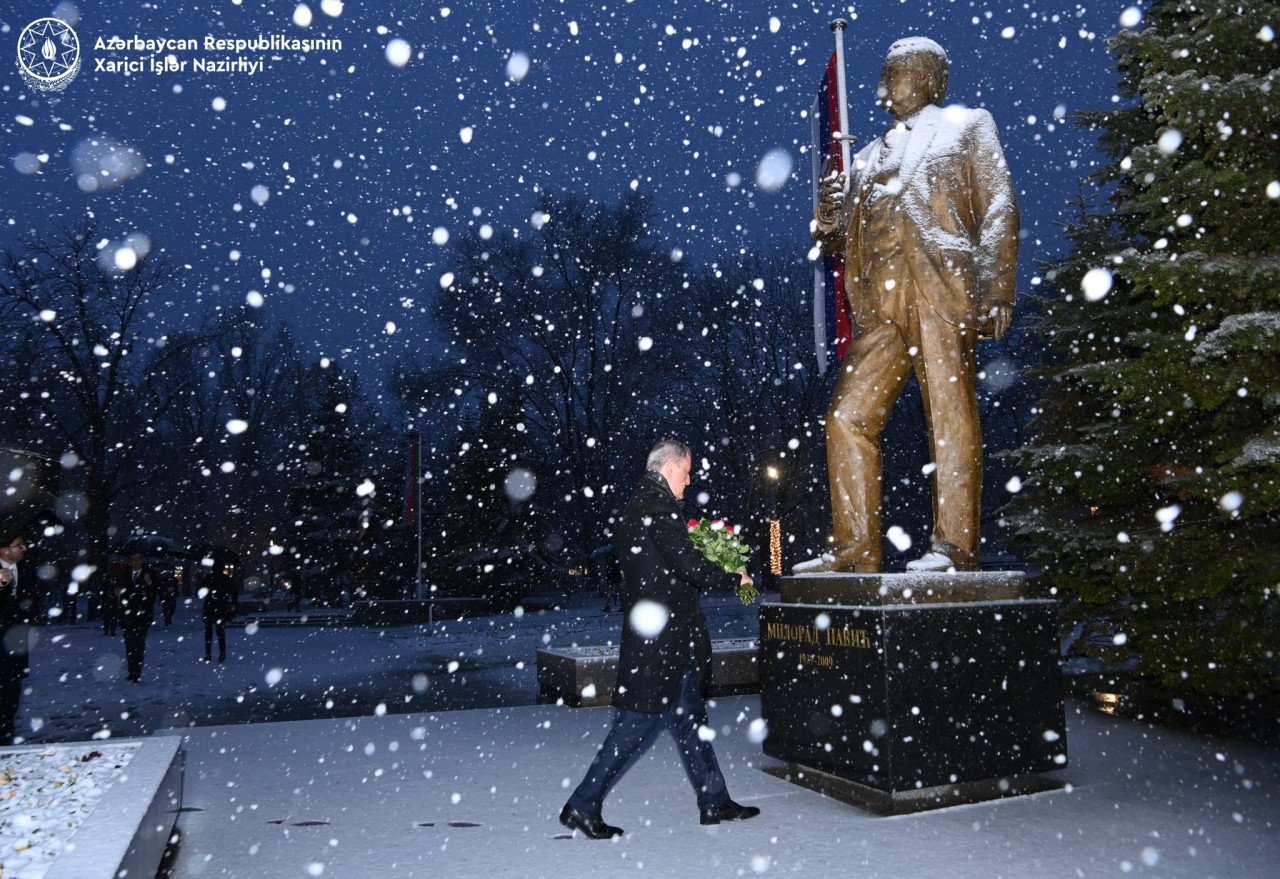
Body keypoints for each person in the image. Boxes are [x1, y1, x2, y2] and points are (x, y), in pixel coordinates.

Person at [807, 37, 1019, 573]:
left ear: (925, 76)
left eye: (893, 75)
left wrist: (996, 286)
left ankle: (954, 547)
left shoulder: (968, 127)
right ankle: (854, 553)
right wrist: (829, 220)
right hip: (881, 307)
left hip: (940, 292)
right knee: (845, 418)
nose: (881, 89)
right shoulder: (866, 156)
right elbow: (835, 240)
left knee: (949, 418)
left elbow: (998, 205)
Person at [560, 439, 760, 839]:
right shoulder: (655, 504)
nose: (689, 481)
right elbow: (684, 563)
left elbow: (670, 565)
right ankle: (582, 805)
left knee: (690, 722)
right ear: (671, 467)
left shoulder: (645, 503)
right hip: (659, 645)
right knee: (634, 725)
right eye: (686, 472)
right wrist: (732, 576)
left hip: (669, 641)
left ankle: (714, 800)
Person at [0, 532, 32, 744]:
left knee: (11, 701)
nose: (24, 548)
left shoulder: (27, 568)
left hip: (15, 650)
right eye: (19, 545)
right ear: (4, 549)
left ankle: (6, 741)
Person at [119, 552, 157, 683]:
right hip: (128, 615)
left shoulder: (149, 574)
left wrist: (149, 583)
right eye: (133, 559)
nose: (135, 562)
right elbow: (122, 594)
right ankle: (132, 671)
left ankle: (136, 672)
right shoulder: (124, 574)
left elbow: (153, 596)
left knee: (139, 644)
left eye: (138, 559)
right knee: (129, 645)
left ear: (142, 560)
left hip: (142, 615)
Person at [201, 567, 236, 663]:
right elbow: (234, 591)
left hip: (210, 607)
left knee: (209, 631)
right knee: (220, 631)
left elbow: (201, 590)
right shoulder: (225, 579)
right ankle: (222, 654)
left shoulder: (209, 578)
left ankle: (208, 653)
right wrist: (233, 603)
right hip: (221, 606)